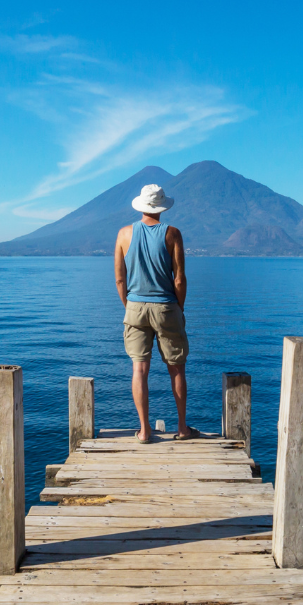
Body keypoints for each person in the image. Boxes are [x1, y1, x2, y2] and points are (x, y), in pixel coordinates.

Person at [115, 183, 195, 443]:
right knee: (177, 369)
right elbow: (180, 280)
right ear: (162, 206)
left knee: (139, 369)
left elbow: (119, 280)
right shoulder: (173, 234)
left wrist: (130, 307)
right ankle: (182, 428)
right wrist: (179, 308)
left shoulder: (124, 234)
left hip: (135, 307)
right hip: (166, 307)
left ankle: (144, 431)